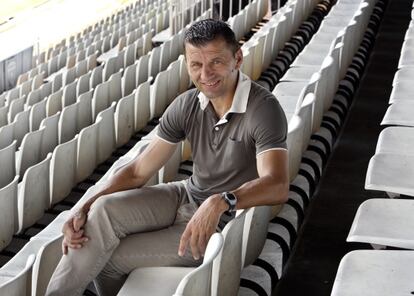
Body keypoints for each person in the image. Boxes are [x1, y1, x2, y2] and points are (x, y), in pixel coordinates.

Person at [46, 19, 289, 296]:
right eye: (196, 64)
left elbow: (277, 184)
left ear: (237, 58)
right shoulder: (187, 104)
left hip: (220, 222)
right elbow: (138, 171)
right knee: (102, 211)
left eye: (216, 62)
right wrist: (83, 207)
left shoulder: (263, 109)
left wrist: (221, 201)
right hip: (186, 194)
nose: (205, 73)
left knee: (108, 259)